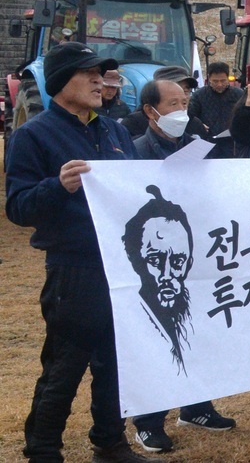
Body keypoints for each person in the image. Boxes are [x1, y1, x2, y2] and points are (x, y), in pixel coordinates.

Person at [6, 42, 161, 462]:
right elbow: (18, 208)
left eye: (102, 73)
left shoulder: (112, 131)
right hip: (74, 269)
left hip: (122, 267)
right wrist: (57, 186)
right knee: (64, 365)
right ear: (60, 83)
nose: (100, 81)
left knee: (116, 361)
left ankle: (110, 442)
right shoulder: (32, 135)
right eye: (89, 73)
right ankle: (42, 449)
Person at [127, 79, 238, 453]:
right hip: (155, 262)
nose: (181, 111)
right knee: (155, 336)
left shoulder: (196, 147)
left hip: (197, 256)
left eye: (185, 103)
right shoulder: (135, 152)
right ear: (150, 111)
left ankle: (197, 406)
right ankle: (148, 420)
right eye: (172, 104)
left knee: (198, 331)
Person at [123, 66, 198, 139]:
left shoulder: (196, 125)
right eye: (174, 89)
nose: (181, 95)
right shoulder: (133, 123)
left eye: (186, 90)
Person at [187, 62, 244, 136]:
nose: (219, 85)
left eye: (223, 81)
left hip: (233, 139)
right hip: (207, 138)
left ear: (227, 78)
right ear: (209, 78)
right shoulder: (199, 95)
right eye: (215, 81)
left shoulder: (238, 94)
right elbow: (190, 116)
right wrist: (199, 126)